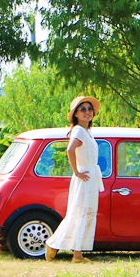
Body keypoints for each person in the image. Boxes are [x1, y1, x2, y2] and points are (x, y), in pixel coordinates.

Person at [45, 96, 104, 263]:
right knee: (81, 213)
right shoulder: (78, 130)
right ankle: (74, 253)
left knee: (85, 213)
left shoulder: (87, 132)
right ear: (76, 114)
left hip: (90, 176)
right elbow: (70, 150)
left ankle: (60, 246)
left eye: (89, 109)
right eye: (83, 109)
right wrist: (77, 172)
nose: (87, 112)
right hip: (85, 176)